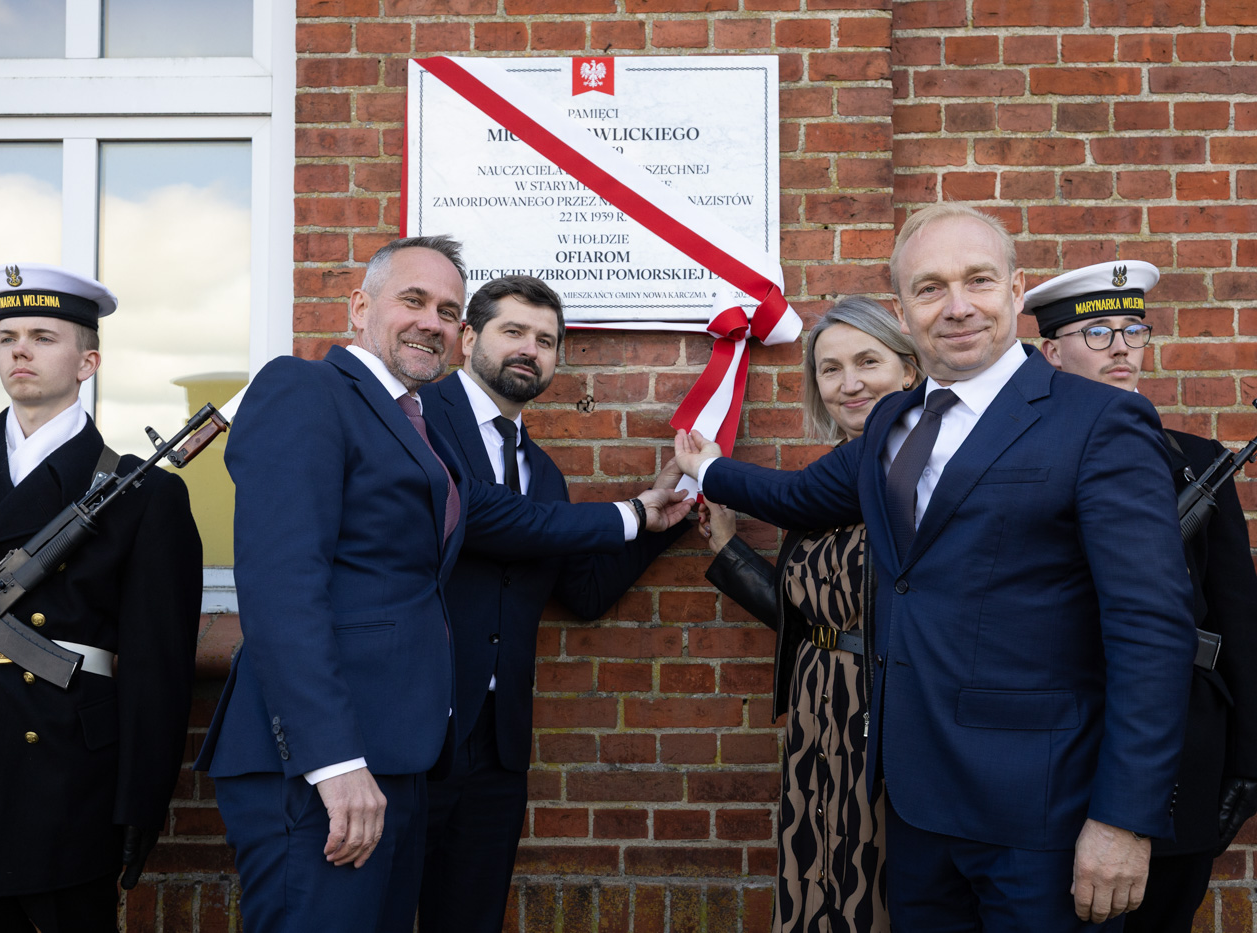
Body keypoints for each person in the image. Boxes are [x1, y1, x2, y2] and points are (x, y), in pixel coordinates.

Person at [673, 203, 1197, 931]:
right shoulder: (895, 421)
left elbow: (1151, 629)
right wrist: (706, 467)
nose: (957, 306)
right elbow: (797, 496)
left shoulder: (1099, 421)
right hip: (915, 807)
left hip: (1042, 814)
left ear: (1016, 289)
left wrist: (1125, 817)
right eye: (930, 288)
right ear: (902, 310)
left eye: (977, 280)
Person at [195, 237, 691, 933]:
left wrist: (666, 513)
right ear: (359, 307)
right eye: (413, 300)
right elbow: (282, 589)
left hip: (402, 753)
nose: (431, 321)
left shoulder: (416, 426)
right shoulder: (306, 389)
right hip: (324, 758)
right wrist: (332, 760)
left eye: (446, 310)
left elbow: (564, 579)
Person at [0, 263, 203, 932]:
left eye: (42, 337)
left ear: (88, 362)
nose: (19, 350)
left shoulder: (145, 495)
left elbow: (158, 667)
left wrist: (140, 801)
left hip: (68, 777)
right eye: (7, 337)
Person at [415, 274, 688, 933]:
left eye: (545, 340)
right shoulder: (419, 420)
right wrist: (629, 513)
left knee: (470, 918)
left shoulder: (542, 473)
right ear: (468, 338)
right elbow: (479, 516)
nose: (529, 350)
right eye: (513, 331)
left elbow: (584, 591)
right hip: (414, 727)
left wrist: (666, 514)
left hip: (497, 746)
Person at [1028, 259, 1257, 933]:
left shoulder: (1198, 459)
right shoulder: (1019, 460)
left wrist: (1254, 759)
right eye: (1098, 333)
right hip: (1053, 746)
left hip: (1183, 751)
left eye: (1133, 330)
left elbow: (1237, 616)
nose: (1121, 348)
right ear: (1051, 352)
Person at [700, 296, 919, 933]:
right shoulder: (828, 474)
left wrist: (706, 469)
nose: (849, 383)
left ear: (909, 370)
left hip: (883, 708)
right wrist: (729, 552)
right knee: (813, 865)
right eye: (830, 369)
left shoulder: (919, 468)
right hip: (817, 705)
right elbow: (813, 617)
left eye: (868, 362)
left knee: (871, 875)